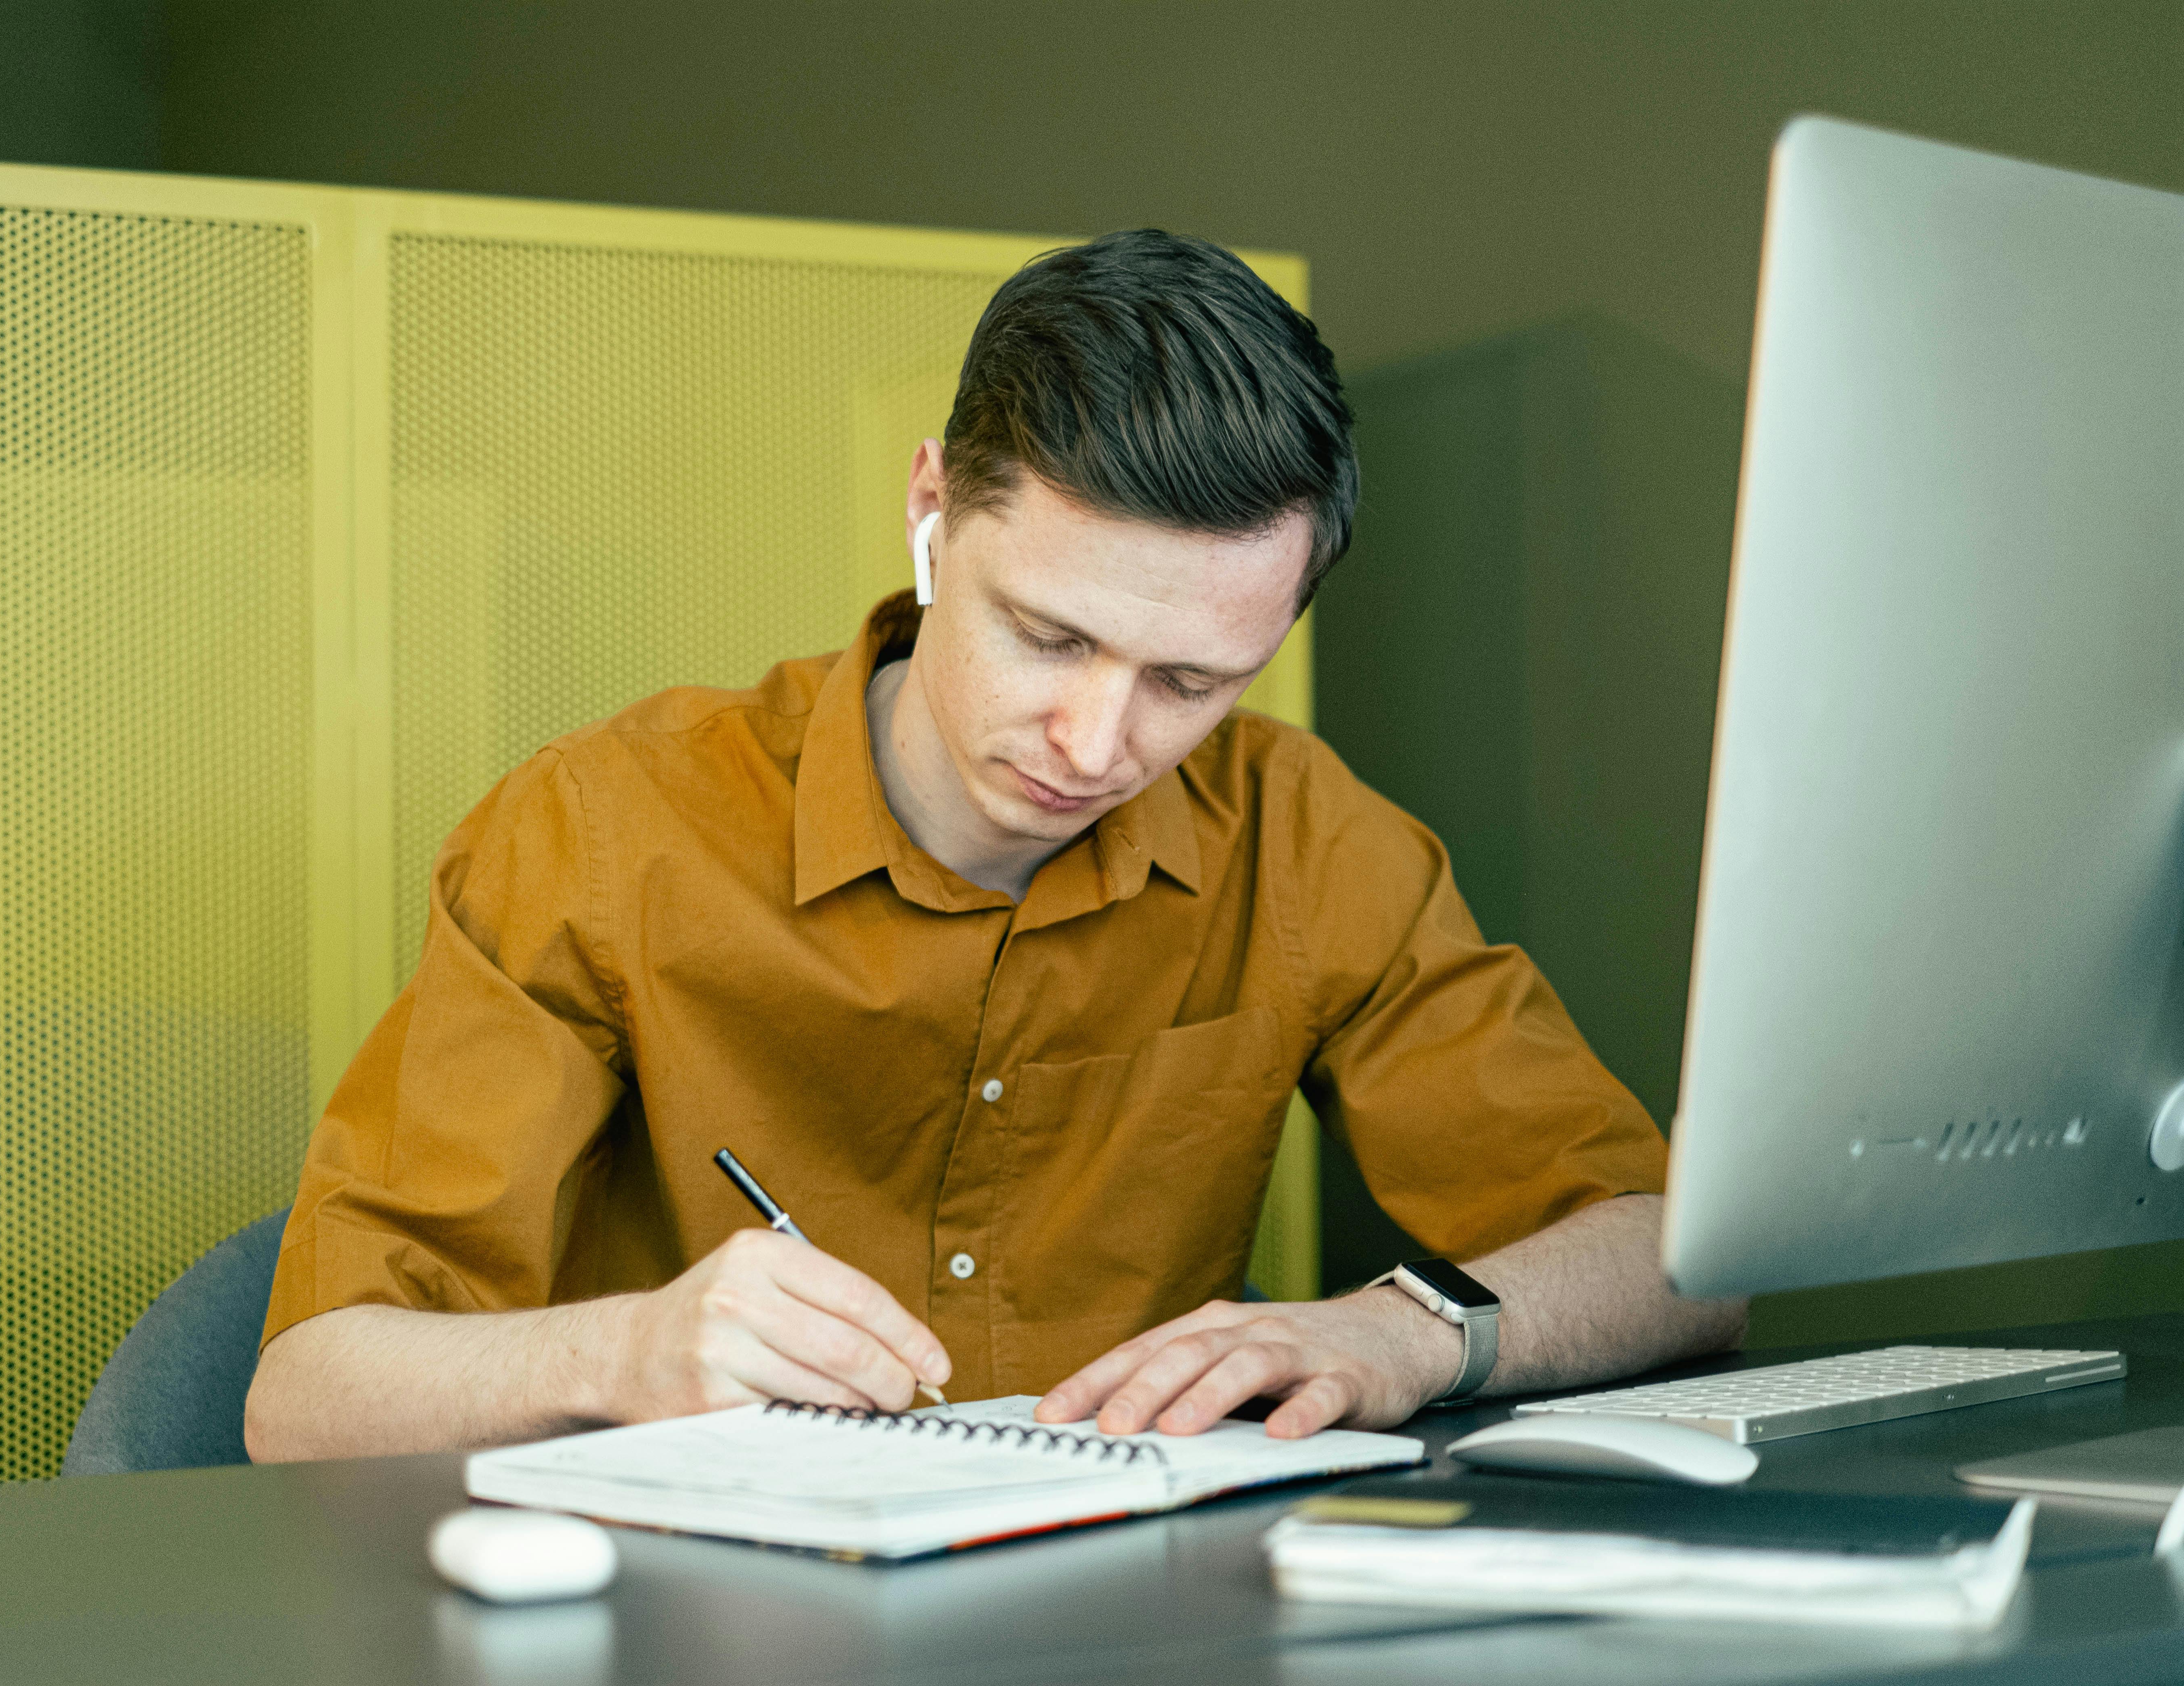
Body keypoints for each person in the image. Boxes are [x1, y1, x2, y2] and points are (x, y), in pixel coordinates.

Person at [244, 230, 1743, 1463]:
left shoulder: (1304, 836)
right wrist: (630, 1347)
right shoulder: (604, 829)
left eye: (1190, 684)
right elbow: (305, 1397)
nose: (1098, 746)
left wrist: (1399, 1332)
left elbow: (1673, 1261)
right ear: (930, 513)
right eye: (1050, 636)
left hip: (1129, 1607)